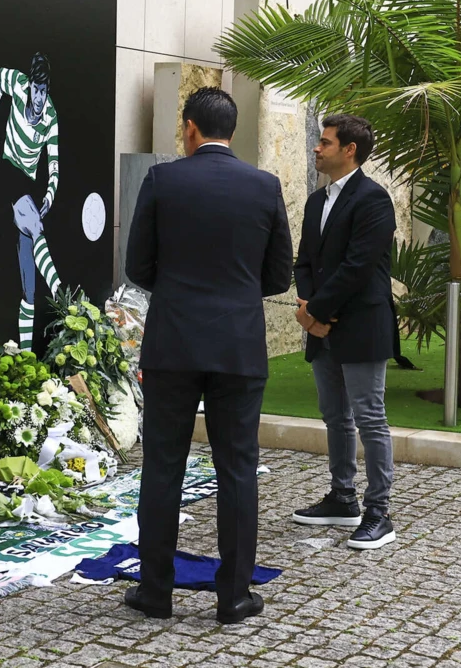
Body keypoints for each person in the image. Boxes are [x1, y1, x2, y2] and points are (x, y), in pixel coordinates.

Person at [125, 87, 293, 624]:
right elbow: (278, 275)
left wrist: (178, 289)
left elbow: (137, 266)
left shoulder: (162, 179)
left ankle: (154, 592)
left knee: (163, 468)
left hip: (173, 343)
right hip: (238, 346)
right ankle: (235, 596)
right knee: (237, 469)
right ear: (232, 131)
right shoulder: (265, 187)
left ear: (189, 128)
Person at [292, 114, 398, 549]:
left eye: (325, 142)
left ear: (349, 150)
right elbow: (304, 262)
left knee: (369, 418)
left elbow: (359, 266)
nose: (317, 148)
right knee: (335, 416)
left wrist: (316, 311)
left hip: (361, 325)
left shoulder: (374, 200)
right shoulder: (317, 201)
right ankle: (342, 497)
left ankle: (379, 512)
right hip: (322, 326)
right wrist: (309, 310)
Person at [0, 52, 62, 351]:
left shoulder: (51, 119)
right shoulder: (17, 84)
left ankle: (27, 355)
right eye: (37, 91)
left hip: (28, 183)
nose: (40, 98)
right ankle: (63, 295)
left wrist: (50, 194)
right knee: (34, 223)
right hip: (5, 170)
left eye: (45, 92)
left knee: (28, 286)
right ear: (30, 86)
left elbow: (54, 163)